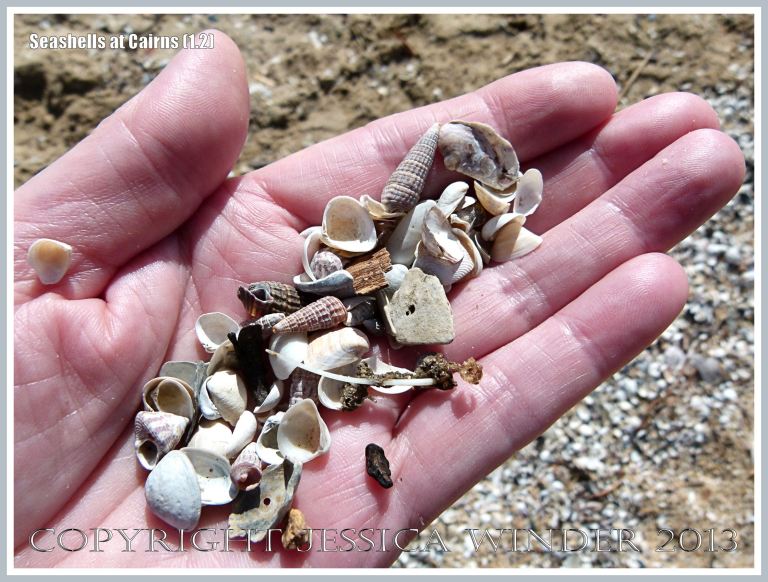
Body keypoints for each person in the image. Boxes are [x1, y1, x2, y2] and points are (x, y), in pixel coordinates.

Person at [13, 30, 745, 568]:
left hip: (354, 312)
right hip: (317, 341)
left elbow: (356, 291)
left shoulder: (383, 268)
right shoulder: (287, 342)